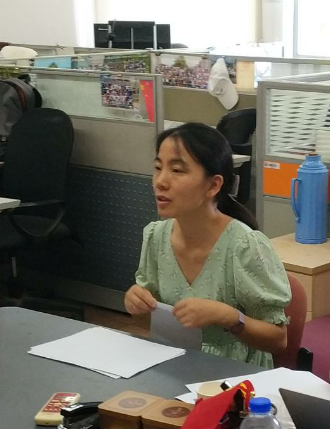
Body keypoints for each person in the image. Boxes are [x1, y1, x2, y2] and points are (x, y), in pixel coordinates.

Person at [124, 123, 291, 368]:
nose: (160, 181)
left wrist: (229, 317)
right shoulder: (155, 236)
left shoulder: (244, 245)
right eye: (158, 168)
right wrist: (137, 306)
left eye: (177, 170)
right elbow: (150, 322)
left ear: (213, 185)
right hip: (176, 365)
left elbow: (278, 340)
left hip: (234, 376)